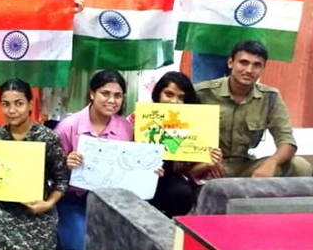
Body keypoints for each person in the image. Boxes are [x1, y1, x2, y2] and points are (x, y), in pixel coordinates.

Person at [0, 78, 68, 250]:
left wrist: (48, 204)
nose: (12, 110)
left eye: (18, 103)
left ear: (30, 104)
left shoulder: (48, 138)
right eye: (6, 104)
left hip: (35, 208)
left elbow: (61, 181)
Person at [195, 41, 312, 178]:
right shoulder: (202, 92)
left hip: (246, 167)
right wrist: (202, 162)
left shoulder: (270, 97)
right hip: (209, 167)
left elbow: (287, 141)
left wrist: (271, 163)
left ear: (263, 69)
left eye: (257, 65)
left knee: (299, 165)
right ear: (230, 63)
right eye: (243, 63)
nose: (249, 70)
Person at [54, 70, 134, 250]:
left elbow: (130, 165)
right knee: (78, 245)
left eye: (118, 95)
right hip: (73, 199)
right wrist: (65, 164)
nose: (112, 100)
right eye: (105, 93)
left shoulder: (126, 128)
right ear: (92, 93)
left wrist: (148, 170)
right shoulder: (68, 126)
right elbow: (49, 172)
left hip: (112, 201)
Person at [66, 0, 141, 115]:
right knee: (86, 108)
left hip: (123, 57)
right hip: (91, 58)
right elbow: (71, 18)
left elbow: (150, 19)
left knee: (120, 110)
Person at [147, 71, 223, 218]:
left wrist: (209, 162)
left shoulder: (196, 126)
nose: (174, 102)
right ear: (158, 94)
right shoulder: (140, 118)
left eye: (181, 97)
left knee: (182, 193)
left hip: (172, 183)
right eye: (168, 94)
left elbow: (190, 174)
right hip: (143, 178)